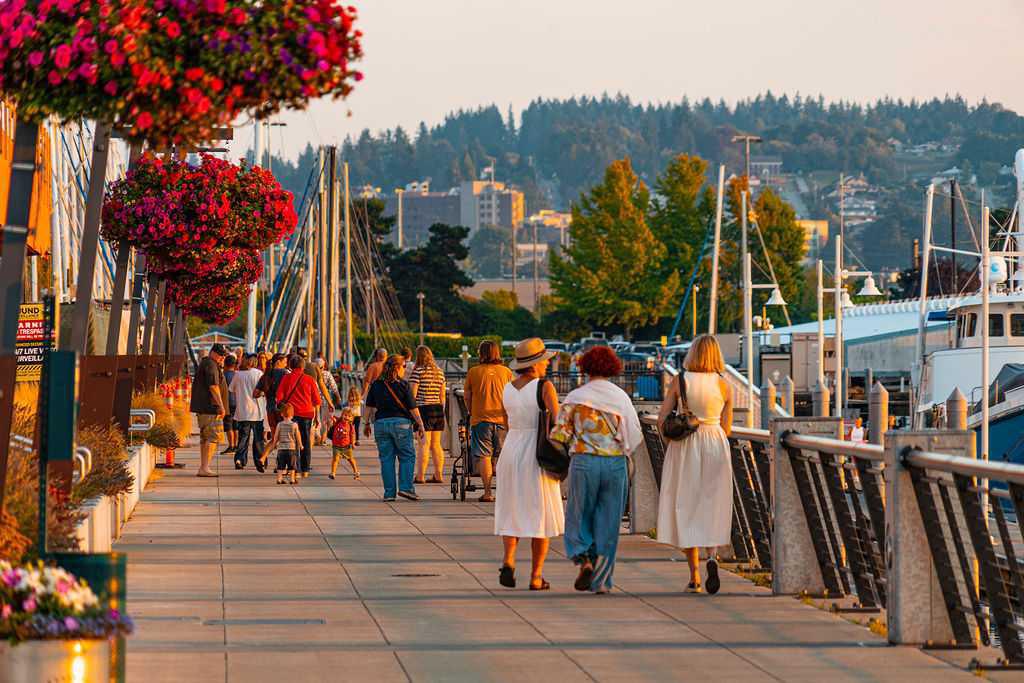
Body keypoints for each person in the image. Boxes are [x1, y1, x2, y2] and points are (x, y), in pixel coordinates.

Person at [552, 346, 642, 594]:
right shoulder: (620, 397)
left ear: (585, 368)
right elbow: (634, 435)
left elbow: (560, 434)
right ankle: (602, 581)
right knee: (609, 521)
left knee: (579, 515)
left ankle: (584, 558)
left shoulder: (575, 398)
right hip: (614, 464)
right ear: (611, 368)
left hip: (584, 461)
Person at [656, 334, 733, 595]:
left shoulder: (680, 380)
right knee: (711, 502)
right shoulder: (725, 385)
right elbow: (728, 427)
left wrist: (671, 442)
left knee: (686, 504)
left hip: (687, 443)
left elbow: (662, 419)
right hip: (715, 442)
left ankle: (695, 576)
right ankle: (712, 556)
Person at [494, 338, 564, 591]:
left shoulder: (508, 388)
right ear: (537, 363)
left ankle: (509, 560)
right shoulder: (544, 387)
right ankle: (536, 576)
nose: (547, 364)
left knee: (511, 507)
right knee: (539, 513)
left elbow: (506, 422)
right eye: (545, 360)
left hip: (511, 449)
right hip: (536, 452)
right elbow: (557, 422)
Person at [364, 354, 425, 502]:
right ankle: (405, 488)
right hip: (401, 424)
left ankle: (389, 493)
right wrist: (421, 424)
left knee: (386, 459)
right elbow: (412, 408)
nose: (405, 369)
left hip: (381, 424)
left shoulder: (376, 384)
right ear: (397, 367)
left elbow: (368, 406)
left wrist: (366, 423)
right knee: (407, 456)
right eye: (404, 366)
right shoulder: (403, 385)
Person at [463, 340, 513, 502]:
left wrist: (471, 411)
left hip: (480, 419)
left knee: (484, 455)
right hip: (503, 419)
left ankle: (487, 492)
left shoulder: (473, 372)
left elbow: (467, 396)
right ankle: (506, 492)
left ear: (481, 353)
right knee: (503, 455)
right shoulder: (506, 372)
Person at [275, 354, 321, 477]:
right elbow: (317, 400)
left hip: (291, 414)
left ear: (290, 365)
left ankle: (294, 468)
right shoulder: (309, 379)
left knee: (292, 442)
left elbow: (279, 397)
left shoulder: (286, 378)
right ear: (303, 366)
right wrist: (317, 418)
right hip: (307, 414)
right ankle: (305, 470)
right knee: (305, 442)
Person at [190, 343, 229, 477]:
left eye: (224, 356)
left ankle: (204, 466)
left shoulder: (208, 363)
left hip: (206, 408)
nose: (222, 358)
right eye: (220, 355)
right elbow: (213, 387)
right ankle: (205, 467)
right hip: (210, 408)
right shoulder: (211, 365)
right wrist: (222, 406)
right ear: (213, 352)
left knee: (206, 438)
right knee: (212, 437)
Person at [409, 345, 447, 484]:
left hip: (423, 409)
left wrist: (411, 413)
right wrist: (442, 411)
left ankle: (420, 476)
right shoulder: (439, 372)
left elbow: (412, 395)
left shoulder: (417, 372)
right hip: (437, 409)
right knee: (436, 444)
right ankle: (438, 475)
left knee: (423, 444)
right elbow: (443, 395)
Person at [230, 354, 266, 472]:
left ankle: (239, 459)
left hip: (242, 411)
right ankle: (260, 460)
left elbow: (232, 389)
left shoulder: (238, 375)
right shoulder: (259, 374)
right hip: (257, 412)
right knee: (258, 439)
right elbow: (263, 391)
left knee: (243, 438)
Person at [265, 402, 301, 485]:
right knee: (292, 466)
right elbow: (298, 436)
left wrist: (274, 444)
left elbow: (276, 436)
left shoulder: (279, 424)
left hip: (281, 449)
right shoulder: (294, 425)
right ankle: (292, 479)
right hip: (291, 449)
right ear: (292, 414)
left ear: (281, 414)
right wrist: (301, 445)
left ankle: (279, 479)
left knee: (280, 465)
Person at [255, 353, 289, 431]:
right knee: (284, 436)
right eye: (285, 362)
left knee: (274, 437)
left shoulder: (265, 375)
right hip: (282, 409)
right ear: (278, 362)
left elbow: (255, 394)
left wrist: (264, 392)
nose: (286, 364)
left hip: (270, 408)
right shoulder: (285, 373)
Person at [328, 408, 360, 480]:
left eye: (349, 416)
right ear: (342, 415)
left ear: (352, 418)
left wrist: (353, 443)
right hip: (336, 446)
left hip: (347, 446)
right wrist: (331, 413)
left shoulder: (350, 426)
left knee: (351, 459)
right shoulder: (337, 422)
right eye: (345, 415)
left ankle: (356, 471)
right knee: (335, 459)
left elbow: (352, 435)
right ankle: (333, 473)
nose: (346, 417)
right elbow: (332, 417)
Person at [221, 355, 239, 455]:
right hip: (236, 402)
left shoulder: (222, 375)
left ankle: (231, 445)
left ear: (225, 364)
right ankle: (236, 445)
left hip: (227, 402)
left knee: (228, 425)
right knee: (236, 425)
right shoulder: (237, 375)